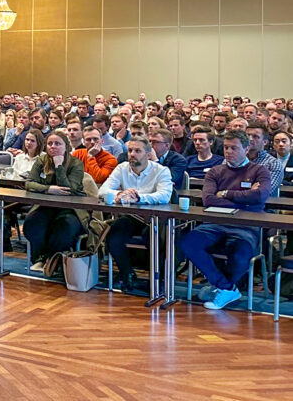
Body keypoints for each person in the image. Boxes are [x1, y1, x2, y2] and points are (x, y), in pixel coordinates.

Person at [179, 130, 270, 310]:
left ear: (246, 148)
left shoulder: (259, 170)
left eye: (234, 148)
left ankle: (220, 287)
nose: (228, 152)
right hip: (214, 223)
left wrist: (227, 194)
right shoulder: (216, 171)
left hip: (245, 225)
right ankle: (226, 287)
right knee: (188, 242)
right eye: (226, 148)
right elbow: (208, 200)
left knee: (240, 253)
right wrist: (244, 198)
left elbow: (259, 196)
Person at [100, 137, 174, 292]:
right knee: (114, 234)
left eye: (137, 151)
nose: (132, 154)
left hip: (155, 217)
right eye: (130, 151)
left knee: (154, 237)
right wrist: (121, 193)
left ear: (148, 154)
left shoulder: (161, 170)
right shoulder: (122, 168)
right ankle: (127, 274)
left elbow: (164, 196)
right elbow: (102, 191)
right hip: (131, 217)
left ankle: (157, 279)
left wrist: (138, 197)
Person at [24, 132, 87, 273]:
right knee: (33, 222)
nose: (53, 147)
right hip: (47, 205)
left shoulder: (76, 163)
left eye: (58, 144)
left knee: (64, 226)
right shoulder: (41, 161)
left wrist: (59, 166)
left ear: (66, 146)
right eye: (50, 144)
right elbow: (29, 184)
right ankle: (39, 258)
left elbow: (69, 189)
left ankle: (53, 259)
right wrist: (48, 189)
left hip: (71, 208)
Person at [245, 122, 285, 197]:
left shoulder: (273, 163)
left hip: (264, 206)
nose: (250, 139)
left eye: (255, 136)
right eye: (247, 135)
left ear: (265, 142)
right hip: (234, 204)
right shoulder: (235, 160)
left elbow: (263, 192)